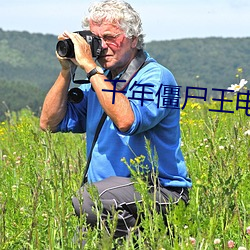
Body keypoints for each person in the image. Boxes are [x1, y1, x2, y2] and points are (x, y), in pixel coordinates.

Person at [40, 0, 192, 244]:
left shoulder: (156, 77)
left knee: (88, 200)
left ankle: (146, 241)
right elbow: (49, 123)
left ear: (133, 39)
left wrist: (90, 68)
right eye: (96, 39)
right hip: (110, 199)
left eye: (110, 37)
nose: (102, 47)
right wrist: (66, 70)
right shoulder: (100, 82)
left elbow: (126, 120)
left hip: (160, 192)